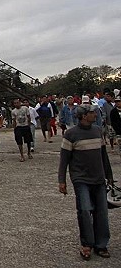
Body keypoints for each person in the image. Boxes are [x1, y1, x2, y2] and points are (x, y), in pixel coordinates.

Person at [58, 103, 113, 260]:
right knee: (84, 210)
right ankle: (87, 244)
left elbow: (104, 156)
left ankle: (101, 245)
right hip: (81, 179)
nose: (95, 115)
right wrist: (62, 180)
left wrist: (108, 174)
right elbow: (64, 160)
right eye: (92, 113)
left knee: (101, 212)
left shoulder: (97, 131)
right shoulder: (70, 134)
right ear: (83, 116)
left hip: (98, 178)